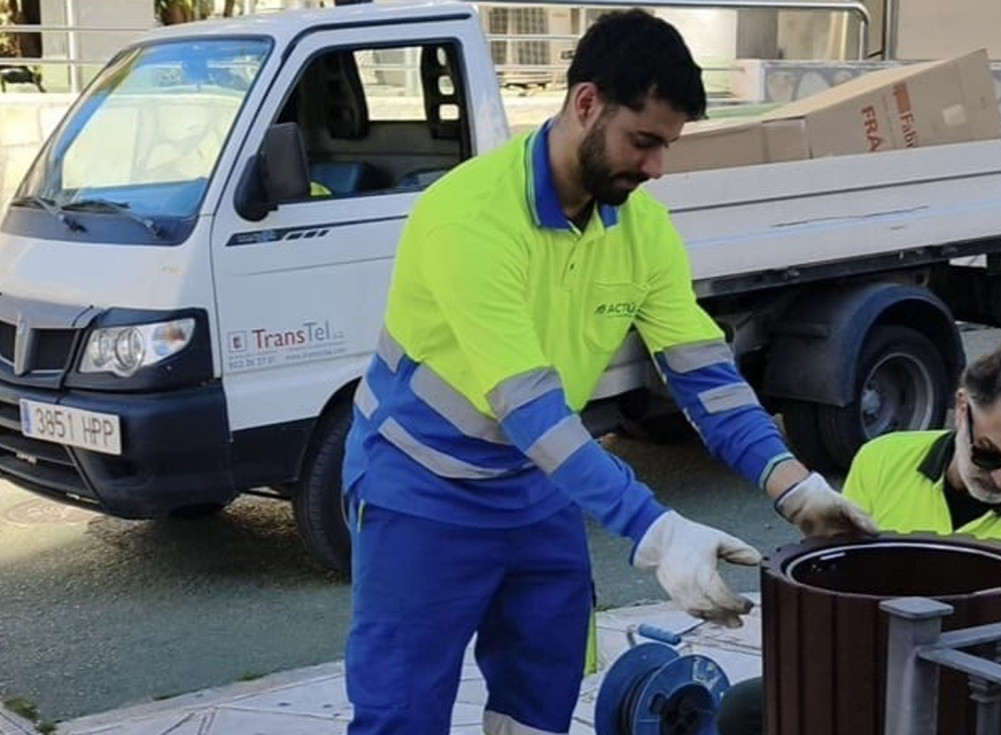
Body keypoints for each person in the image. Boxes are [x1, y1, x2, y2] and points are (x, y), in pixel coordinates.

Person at [340, 10, 875, 735]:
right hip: (423, 491)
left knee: (541, 693)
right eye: (644, 141)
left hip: (536, 487)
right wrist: (654, 531)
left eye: (667, 146)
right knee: (401, 713)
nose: (656, 167)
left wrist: (795, 486)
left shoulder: (639, 226)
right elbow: (526, 407)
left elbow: (704, 378)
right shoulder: (467, 218)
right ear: (586, 104)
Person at [716, 334, 1001, 735]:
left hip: (973, 707)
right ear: (962, 406)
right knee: (744, 710)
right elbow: (841, 587)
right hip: (865, 672)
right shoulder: (884, 461)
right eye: (989, 452)